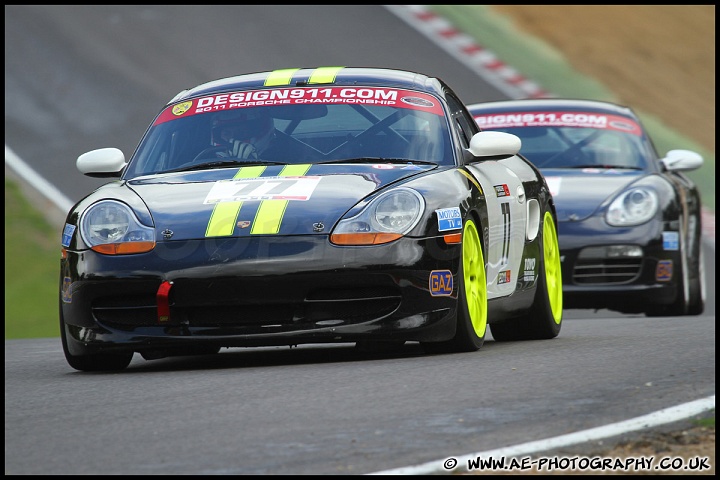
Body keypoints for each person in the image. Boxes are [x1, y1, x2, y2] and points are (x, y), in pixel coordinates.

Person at [211, 109, 276, 160]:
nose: (232, 139)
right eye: (226, 134)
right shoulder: (206, 160)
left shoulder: (281, 160)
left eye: (241, 133)